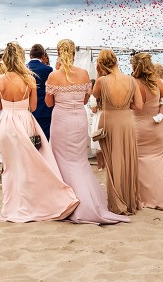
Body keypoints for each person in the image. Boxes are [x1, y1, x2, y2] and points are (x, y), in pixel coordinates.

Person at [0, 42, 78, 223]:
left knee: (11, 166)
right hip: (24, 120)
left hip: (6, 123)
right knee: (29, 163)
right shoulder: (29, 79)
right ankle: (32, 202)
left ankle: (12, 205)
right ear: (21, 58)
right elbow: (33, 106)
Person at [46, 39, 129, 224]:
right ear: (74, 54)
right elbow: (85, 100)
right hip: (79, 119)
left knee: (62, 160)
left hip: (61, 120)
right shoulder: (84, 74)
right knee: (79, 160)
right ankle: (89, 200)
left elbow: (49, 103)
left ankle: (70, 202)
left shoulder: (54, 76)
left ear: (59, 53)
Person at [92, 49, 143, 215]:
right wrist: (124, 106)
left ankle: (116, 202)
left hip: (109, 121)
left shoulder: (102, 81)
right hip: (126, 121)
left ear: (101, 64)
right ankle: (129, 201)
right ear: (116, 61)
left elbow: (95, 95)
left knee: (113, 162)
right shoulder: (131, 80)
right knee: (127, 160)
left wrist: (99, 73)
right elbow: (139, 106)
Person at [130, 52, 163, 210]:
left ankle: (145, 197)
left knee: (140, 161)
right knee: (159, 161)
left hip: (138, 127)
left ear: (134, 67)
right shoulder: (157, 82)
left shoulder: (132, 83)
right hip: (157, 127)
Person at [28, 44, 54, 139]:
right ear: (42, 55)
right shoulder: (48, 69)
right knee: (44, 139)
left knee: (30, 138)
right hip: (44, 109)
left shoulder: (24, 69)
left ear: (30, 55)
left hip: (28, 109)